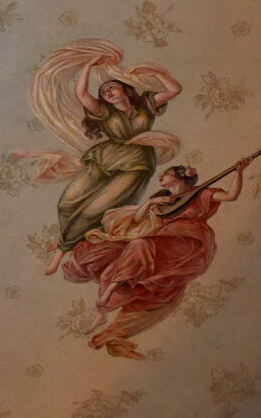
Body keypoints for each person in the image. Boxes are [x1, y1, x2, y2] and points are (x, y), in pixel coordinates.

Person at [62, 155, 254, 359]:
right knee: (125, 261)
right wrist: (151, 202)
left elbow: (231, 196)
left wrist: (239, 172)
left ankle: (107, 294)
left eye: (167, 174)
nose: (161, 176)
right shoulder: (164, 201)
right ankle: (107, 315)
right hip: (162, 241)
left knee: (139, 245)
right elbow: (138, 219)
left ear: (182, 176)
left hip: (187, 241)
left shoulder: (202, 193)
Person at [46, 55, 181, 272]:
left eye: (111, 88)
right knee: (66, 203)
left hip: (137, 163)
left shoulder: (146, 105)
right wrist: (88, 65)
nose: (107, 92)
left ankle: (62, 250)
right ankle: (68, 238)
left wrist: (156, 73)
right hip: (106, 157)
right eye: (103, 92)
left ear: (125, 90)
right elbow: (81, 94)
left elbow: (174, 90)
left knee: (93, 211)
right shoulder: (104, 111)